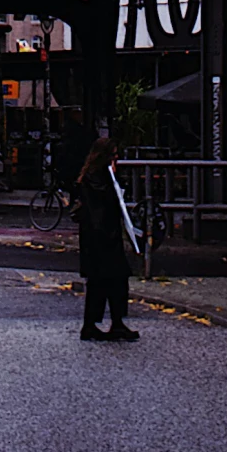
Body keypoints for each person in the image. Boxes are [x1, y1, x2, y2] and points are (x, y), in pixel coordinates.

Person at [74, 137, 138, 342]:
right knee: (108, 280)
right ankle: (102, 324)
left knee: (106, 281)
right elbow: (103, 208)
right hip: (102, 239)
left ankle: (105, 323)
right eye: (113, 154)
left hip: (100, 239)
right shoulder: (96, 179)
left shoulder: (96, 177)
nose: (116, 158)